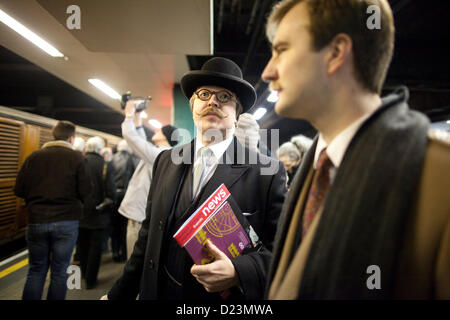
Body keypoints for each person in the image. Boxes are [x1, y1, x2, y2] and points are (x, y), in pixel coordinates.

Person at [261, 0, 450, 299]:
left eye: (281, 49)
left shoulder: (441, 180)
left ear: (335, 54)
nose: (267, 72)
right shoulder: (314, 169)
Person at [103, 57, 287, 300]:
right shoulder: (166, 161)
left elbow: (284, 252)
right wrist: (117, 295)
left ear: (236, 114)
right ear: (192, 108)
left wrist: (239, 271)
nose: (212, 101)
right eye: (203, 94)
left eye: (224, 97)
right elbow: (148, 238)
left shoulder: (267, 172)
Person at [14, 120, 91, 300]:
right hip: (66, 222)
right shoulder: (78, 158)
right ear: (71, 138)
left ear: (53, 135)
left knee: (36, 270)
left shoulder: (34, 157)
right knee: (59, 272)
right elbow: (86, 191)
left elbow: (19, 189)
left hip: (36, 220)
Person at [119, 101, 177, 260]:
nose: (156, 131)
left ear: (165, 137)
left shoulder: (158, 155)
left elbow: (132, 138)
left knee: (134, 258)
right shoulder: (161, 153)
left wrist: (129, 113)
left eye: (160, 130)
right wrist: (138, 116)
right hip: (141, 213)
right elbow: (140, 139)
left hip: (139, 216)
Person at [78, 136, 116, 289]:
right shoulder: (105, 164)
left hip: (80, 213)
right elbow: (111, 191)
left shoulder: (79, 162)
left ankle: (82, 272)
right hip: (99, 214)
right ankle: (90, 280)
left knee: (82, 245)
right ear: (100, 149)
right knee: (95, 248)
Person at [110, 140, 136, 262]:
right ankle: (125, 253)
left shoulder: (111, 159)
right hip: (127, 195)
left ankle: (115, 251)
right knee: (125, 226)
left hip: (115, 195)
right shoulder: (132, 159)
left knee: (115, 225)